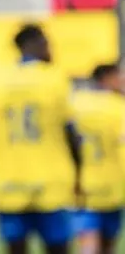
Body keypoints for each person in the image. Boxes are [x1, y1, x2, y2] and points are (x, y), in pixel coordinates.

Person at [0, 24, 81, 254]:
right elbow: (72, 135)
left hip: (8, 185)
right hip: (52, 185)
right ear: (38, 44)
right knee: (59, 248)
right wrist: (80, 178)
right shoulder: (55, 79)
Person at [71, 63, 125, 254]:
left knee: (88, 244)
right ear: (107, 78)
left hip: (82, 187)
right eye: (119, 76)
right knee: (107, 247)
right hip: (113, 187)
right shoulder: (118, 107)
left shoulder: (76, 103)